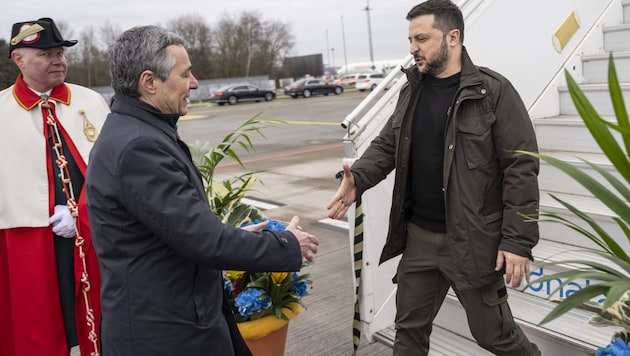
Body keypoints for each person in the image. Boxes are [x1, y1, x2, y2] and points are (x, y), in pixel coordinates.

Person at [84, 25, 320, 356]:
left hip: (169, 321)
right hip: (165, 335)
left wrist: (238, 237)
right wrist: (284, 244)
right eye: (185, 74)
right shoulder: (139, 147)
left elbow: (175, 228)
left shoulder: (138, 132)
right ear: (149, 82)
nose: (194, 83)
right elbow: (203, 241)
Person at [327, 1, 541, 355]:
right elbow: (387, 143)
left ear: (452, 37)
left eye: (421, 38)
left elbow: (521, 168)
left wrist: (517, 241)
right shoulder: (412, 90)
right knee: (408, 334)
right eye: (411, 39)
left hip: (474, 242)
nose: (413, 48)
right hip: (420, 239)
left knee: (495, 336)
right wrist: (358, 177)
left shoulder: (493, 92)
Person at [0, 18, 109, 356]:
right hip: (29, 239)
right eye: (46, 54)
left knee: (101, 318)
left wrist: (83, 211)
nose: (58, 60)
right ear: (19, 59)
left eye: (59, 53)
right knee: (40, 324)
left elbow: (112, 168)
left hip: (92, 231)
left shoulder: (89, 101)